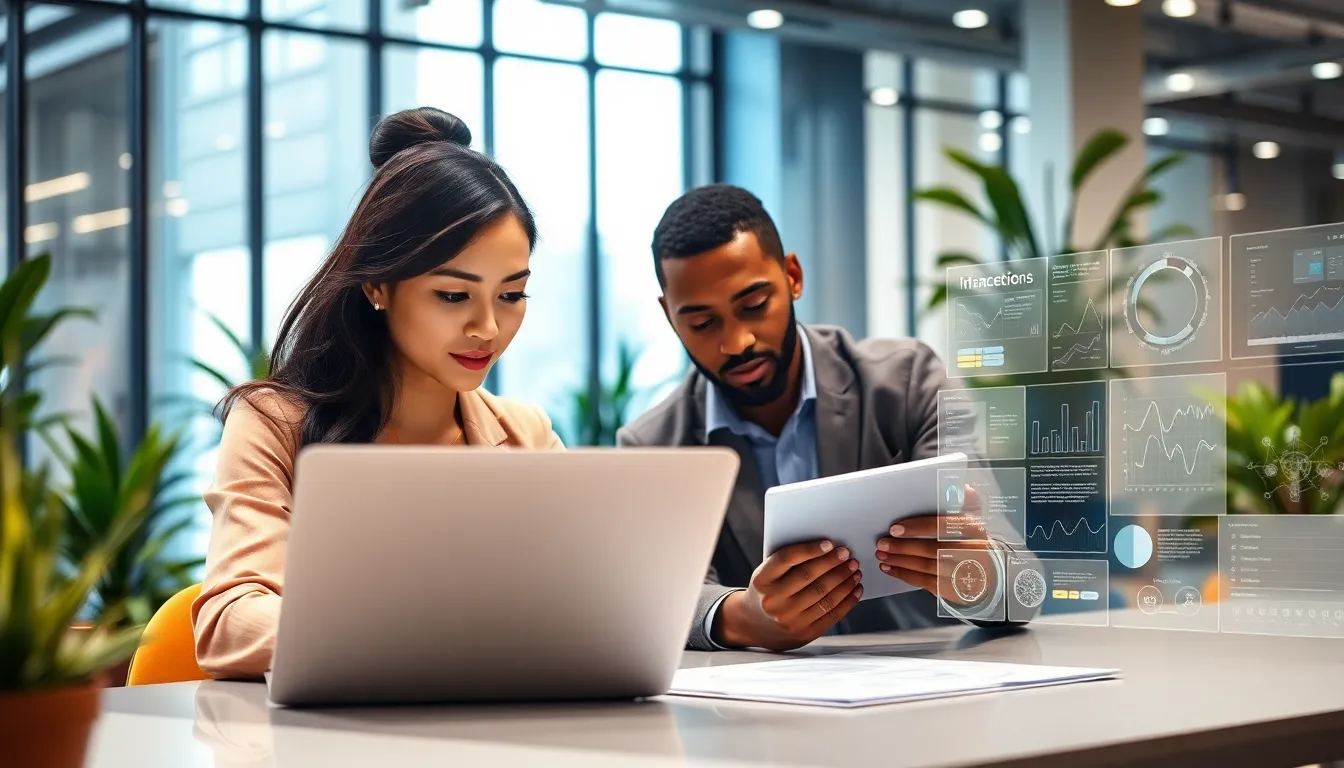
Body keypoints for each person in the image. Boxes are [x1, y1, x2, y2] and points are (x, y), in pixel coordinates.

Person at [192, 107, 563, 679]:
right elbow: (230, 621)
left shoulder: (526, 434)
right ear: (376, 285)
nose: (488, 328)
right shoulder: (273, 422)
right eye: (453, 296)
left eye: (511, 296)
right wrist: (421, 633)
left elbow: (582, 605)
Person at [617, 184, 1021, 652]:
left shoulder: (909, 382)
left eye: (753, 306)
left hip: (923, 683)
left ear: (792, 276)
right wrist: (741, 617)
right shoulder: (653, 445)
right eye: (703, 323)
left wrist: (982, 575)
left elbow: (1019, 582)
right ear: (670, 316)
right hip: (756, 714)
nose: (737, 342)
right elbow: (663, 598)